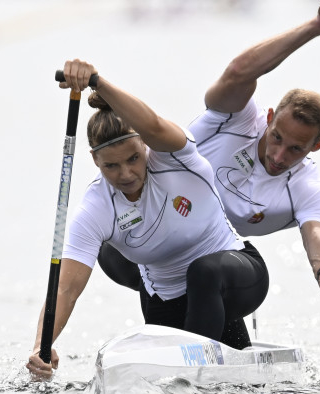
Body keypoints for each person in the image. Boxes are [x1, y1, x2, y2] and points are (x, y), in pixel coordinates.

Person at [98, 0, 320, 330]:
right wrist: (316, 27)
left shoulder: (309, 191)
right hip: (161, 244)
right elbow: (240, 72)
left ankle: (203, 360)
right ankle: (201, 342)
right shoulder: (235, 118)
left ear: (318, 146)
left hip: (216, 264)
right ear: (269, 118)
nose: (279, 156)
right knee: (112, 244)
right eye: (277, 137)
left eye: (296, 149)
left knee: (205, 272)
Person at [26, 59, 269, 380]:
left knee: (204, 272)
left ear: (145, 145)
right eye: (111, 166)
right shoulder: (96, 207)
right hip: (169, 299)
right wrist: (40, 347)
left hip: (237, 276)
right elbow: (66, 289)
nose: (126, 174)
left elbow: (153, 125)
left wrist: (98, 82)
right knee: (108, 252)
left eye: (133, 158)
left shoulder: (174, 155)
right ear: (95, 160)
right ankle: (224, 363)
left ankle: (197, 376)